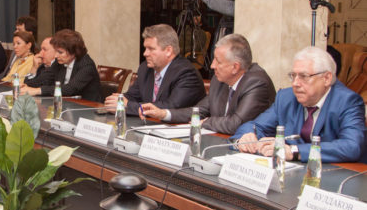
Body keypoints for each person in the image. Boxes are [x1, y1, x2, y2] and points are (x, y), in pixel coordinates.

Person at [233, 46, 367, 163]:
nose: (295, 83)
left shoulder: (347, 101)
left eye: (304, 76)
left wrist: (294, 151)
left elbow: (352, 146)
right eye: (293, 76)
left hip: (337, 175)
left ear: (326, 78)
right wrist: (246, 137)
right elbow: (255, 126)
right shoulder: (286, 97)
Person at [141, 34, 276, 135]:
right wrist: (163, 113)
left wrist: (207, 122)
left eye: (218, 61)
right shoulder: (219, 80)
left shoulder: (256, 83)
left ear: (235, 67)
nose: (212, 66)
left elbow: (236, 124)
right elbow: (199, 111)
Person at [104, 24, 205, 116]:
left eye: (151, 49)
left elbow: (170, 107)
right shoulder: (145, 68)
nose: (145, 53)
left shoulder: (186, 73)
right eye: (145, 48)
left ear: (168, 51)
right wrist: (118, 100)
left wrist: (127, 106)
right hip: (149, 125)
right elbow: (132, 96)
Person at [21, 29, 102, 102]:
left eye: (60, 52)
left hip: (88, 107)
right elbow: (44, 79)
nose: (56, 56)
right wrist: (26, 85)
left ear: (73, 52)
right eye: (56, 51)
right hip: (66, 104)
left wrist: (38, 90)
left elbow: (70, 89)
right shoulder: (59, 62)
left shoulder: (86, 65)